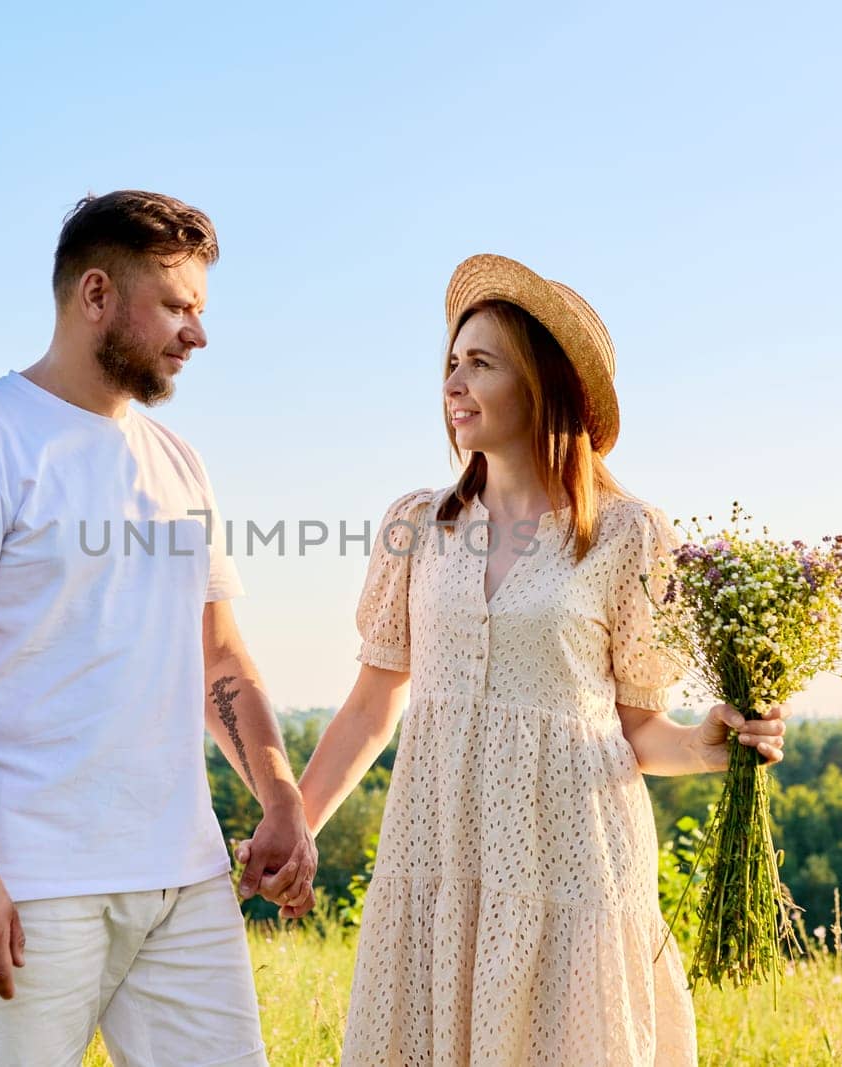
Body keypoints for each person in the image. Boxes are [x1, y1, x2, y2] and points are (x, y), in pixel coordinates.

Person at [277, 254, 788, 1064]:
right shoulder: (416, 525)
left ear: (545, 384)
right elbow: (372, 706)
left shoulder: (627, 534)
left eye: (480, 363)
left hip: (571, 861)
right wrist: (292, 823)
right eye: (450, 362)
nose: (454, 383)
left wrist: (703, 743)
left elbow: (639, 726)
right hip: (437, 854)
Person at [0, 190, 315, 1067]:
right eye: (177, 307)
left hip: (180, 876)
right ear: (95, 296)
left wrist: (279, 796)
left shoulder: (178, 461)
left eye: (201, 310)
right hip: (32, 888)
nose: (197, 334)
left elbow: (218, 653)